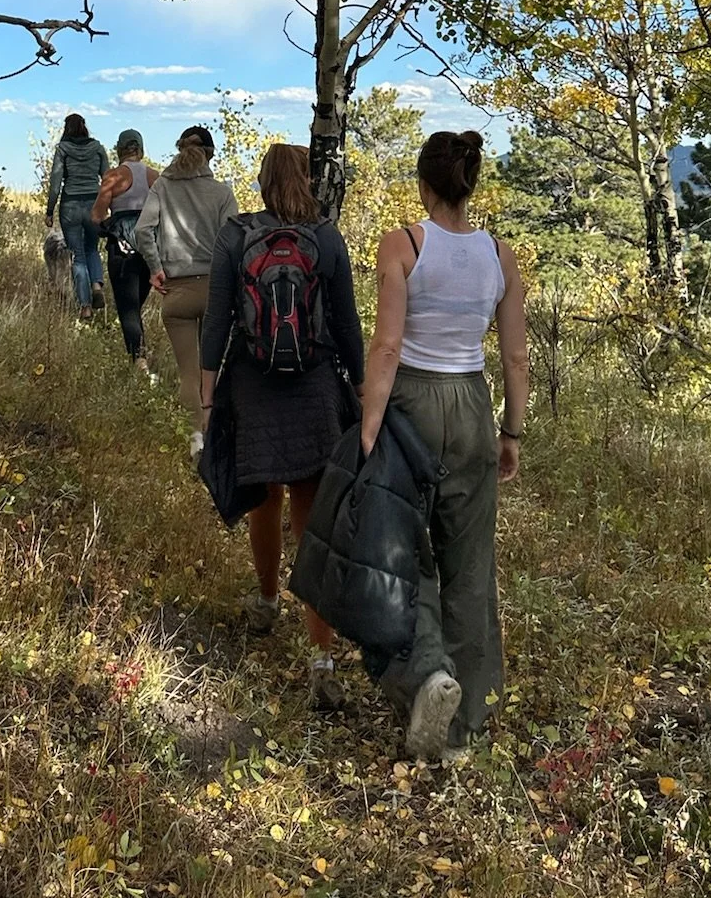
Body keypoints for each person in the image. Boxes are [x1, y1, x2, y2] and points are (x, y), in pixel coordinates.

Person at [358, 128, 528, 761]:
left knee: (402, 552)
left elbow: (387, 347)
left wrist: (370, 428)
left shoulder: (401, 246)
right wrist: (510, 431)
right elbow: (515, 354)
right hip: (472, 404)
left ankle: (427, 675)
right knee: (470, 564)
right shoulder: (500, 256)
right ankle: (464, 726)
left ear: (424, 184)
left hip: (409, 407)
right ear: (470, 183)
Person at [200, 143, 364, 707]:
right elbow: (347, 322)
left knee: (263, 497)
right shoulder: (326, 238)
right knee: (310, 511)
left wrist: (206, 392)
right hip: (314, 386)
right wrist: (363, 389)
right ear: (307, 182)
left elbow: (218, 315)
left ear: (264, 182)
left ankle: (267, 602)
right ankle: (321, 656)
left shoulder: (236, 235)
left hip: (253, 383)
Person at [134, 125, 237, 452]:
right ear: (210, 154)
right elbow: (231, 242)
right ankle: (218, 439)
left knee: (188, 373)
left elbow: (142, 231)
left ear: (180, 151)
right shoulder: (222, 193)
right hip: (215, 292)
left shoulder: (163, 187)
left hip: (176, 293)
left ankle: (195, 442)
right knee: (214, 369)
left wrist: (156, 268)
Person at [90, 129, 159, 364]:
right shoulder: (155, 177)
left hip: (122, 251)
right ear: (141, 149)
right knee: (136, 306)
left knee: (128, 309)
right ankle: (140, 353)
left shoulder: (112, 177)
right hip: (151, 251)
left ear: (119, 150)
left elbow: (97, 216)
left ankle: (139, 363)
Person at [45, 113, 110, 319]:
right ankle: (97, 285)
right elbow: (107, 178)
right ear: (84, 127)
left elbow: (56, 180)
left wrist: (49, 210)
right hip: (94, 202)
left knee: (77, 255)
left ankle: (85, 306)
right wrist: (107, 206)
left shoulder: (62, 150)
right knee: (92, 248)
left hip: (71, 204)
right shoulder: (98, 148)